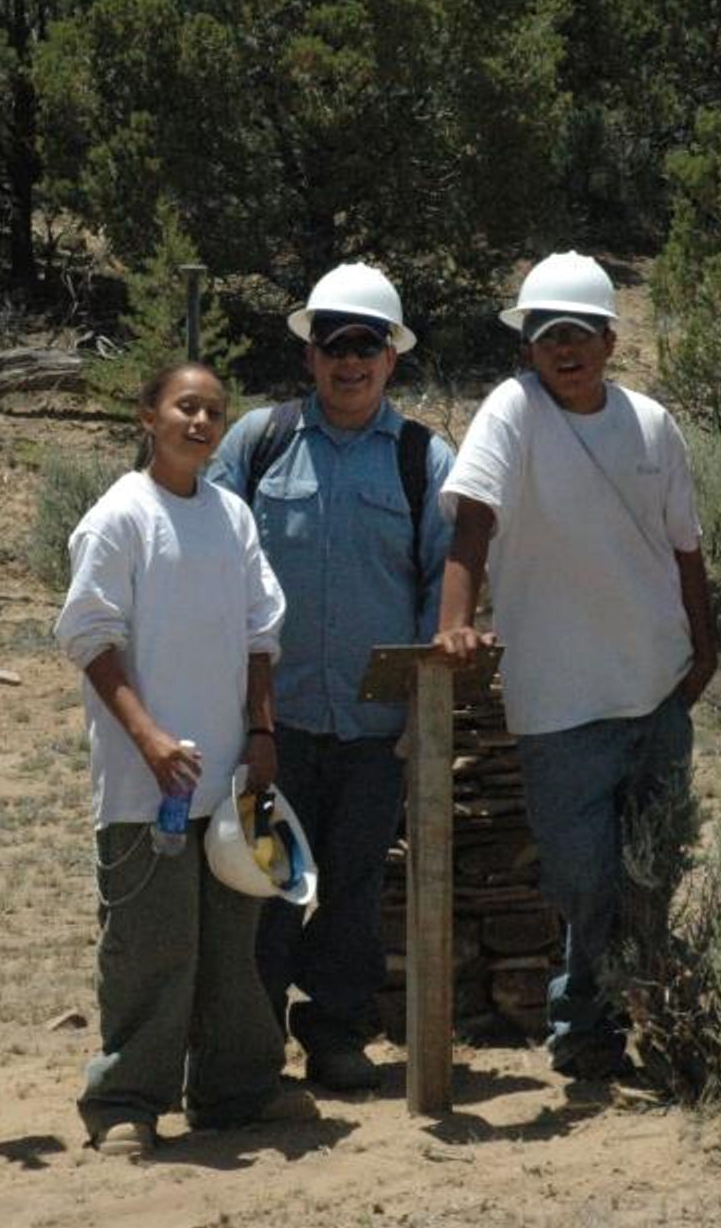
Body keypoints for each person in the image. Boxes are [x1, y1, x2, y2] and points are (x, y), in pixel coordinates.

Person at [433, 251, 717, 1081]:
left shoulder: (651, 424)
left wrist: (702, 651)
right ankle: (584, 1024)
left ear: (609, 340)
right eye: (547, 334)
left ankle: (646, 1024)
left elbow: (686, 550)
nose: (565, 349)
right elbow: (474, 519)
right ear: (528, 346)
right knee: (584, 876)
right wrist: (453, 623)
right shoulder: (512, 413)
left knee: (654, 868)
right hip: (560, 699)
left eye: (580, 334)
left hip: (653, 685)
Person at [53, 360, 317, 1156]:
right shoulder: (120, 518)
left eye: (213, 410)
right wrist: (148, 738)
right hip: (147, 784)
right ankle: (127, 1101)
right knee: (151, 944)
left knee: (231, 941)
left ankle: (235, 1090)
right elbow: (92, 638)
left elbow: (258, 634)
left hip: (227, 778)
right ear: (147, 415)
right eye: (184, 407)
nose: (199, 423)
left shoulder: (231, 516)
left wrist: (262, 735)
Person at [209, 263, 454, 1094]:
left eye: (366, 345)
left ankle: (337, 1034)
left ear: (393, 358)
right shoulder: (258, 441)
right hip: (275, 721)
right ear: (309, 356)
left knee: (351, 887)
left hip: (372, 728)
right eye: (334, 345)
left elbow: (441, 587)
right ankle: (251, 1043)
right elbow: (217, 567)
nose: (350, 361)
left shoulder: (424, 459)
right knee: (263, 883)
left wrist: (419, 718)